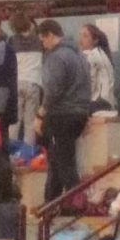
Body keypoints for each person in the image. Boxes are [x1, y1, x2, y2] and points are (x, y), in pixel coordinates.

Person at [35, 20, 92, 206]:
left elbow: (53, 90)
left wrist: (40, 114)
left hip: (61, 115)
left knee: (64, 163)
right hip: (79, 113)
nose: (43, 45)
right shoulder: (79, 55)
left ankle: (78, 203)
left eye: (43, 40)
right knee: (57, 159)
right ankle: (51, 203)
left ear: (50, 35)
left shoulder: (56, 57)